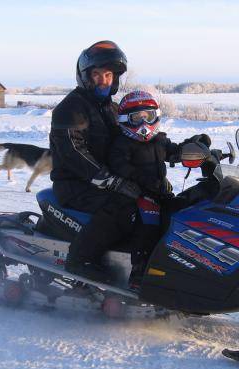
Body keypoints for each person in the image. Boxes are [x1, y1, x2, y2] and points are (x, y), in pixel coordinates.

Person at [49, 40, 140, 283]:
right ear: (85, 76)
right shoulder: (71, 109)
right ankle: (80, 260)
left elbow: (134, 137)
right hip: (75, 184)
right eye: (97, 74)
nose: (103, 80)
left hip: (101, 181)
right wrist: (112, 182)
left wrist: (176, 151)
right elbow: (74, 153)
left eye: (108, 74)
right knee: (123, 208)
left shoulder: (111, 108)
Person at [108, 90, 211, 287]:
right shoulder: (122, 143)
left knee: (181, 216)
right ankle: (139, 271)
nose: (144, 124)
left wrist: (197, 147)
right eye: (137, 118)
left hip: (158, 192)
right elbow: (118, 165)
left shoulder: (159, 140)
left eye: (149, 116)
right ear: (125, 120)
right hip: (135, 193)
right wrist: (142, 179)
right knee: (149, 223)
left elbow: (174, 152)